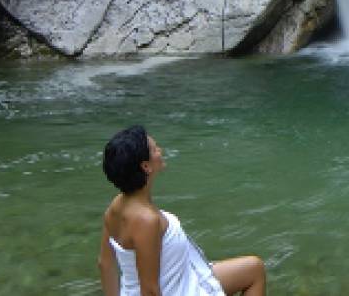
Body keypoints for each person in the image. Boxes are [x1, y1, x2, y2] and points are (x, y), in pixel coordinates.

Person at [98, 125, 266, 296]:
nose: (160, 151)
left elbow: (105, 264)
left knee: (254, 268)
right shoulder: (147, 221)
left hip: (182, 278)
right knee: (254, 271)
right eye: (155, 149)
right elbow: (149, 290)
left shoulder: (117, 205)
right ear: (146, 166)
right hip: (176, 291)